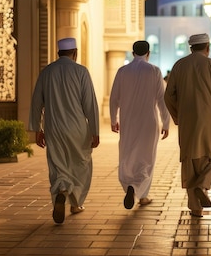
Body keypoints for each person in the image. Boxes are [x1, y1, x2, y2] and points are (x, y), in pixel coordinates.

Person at [28, 37, 100, 224]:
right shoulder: (81, 72)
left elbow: (37, 102)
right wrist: (95, 130)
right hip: (77, 128)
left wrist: (37, 128)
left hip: (54, 128)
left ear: (57, 53)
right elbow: (90, 104)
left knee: (58, 165)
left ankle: (61, 190)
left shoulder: (47, 72)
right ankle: (76, 203)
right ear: (75, 52)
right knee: (80, 164)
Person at [164, 33, 211, 217]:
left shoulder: (179, 65)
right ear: (207, 47)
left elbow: (168, 96)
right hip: (209, 120)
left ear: (191, 47)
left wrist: (178, 117)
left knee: (190, 162)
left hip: (187, 122)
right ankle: (202, 185)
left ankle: (195, 208)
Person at [109, 40, 171, 209]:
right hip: (148, 123)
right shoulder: (154, 71)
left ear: (133, 53)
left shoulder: (122, 71)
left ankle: (130, 186)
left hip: (128, 122)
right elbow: (161, 99)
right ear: (148, 53)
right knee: (146, 159)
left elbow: (114, 98)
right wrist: (166, 122)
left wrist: (114, 120)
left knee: (127, 156)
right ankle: (140, 193)